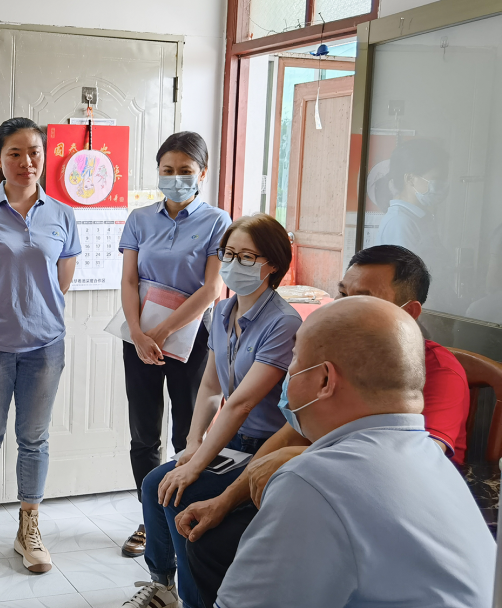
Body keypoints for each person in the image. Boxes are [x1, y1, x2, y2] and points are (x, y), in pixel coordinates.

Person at [181, 244, 471, 607]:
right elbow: (292, 431)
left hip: (386, 511)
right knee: (208, 538)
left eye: (363, 299)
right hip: (337, 491)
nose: (342, 308)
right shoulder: (344, 363)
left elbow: (416, 456)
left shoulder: (437, 372)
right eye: (343, 294)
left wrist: (298, 460)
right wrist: (224, 500)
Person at [126, 214, 300, 608]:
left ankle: (196, 601)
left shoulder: (283, 323)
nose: (235, 264)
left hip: (266, 447)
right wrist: (192, 445)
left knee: (179, 492)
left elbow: (241, 403)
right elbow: (211, 387)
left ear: (272, 264)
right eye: (229, 254)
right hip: (232, 441)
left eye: (247, 257)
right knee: (155, 484)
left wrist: (196, 464)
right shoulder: (222, 312)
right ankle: (162, 585)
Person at [0, 117, 81, 574]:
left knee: (34, 438)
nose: (27, 162)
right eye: (15, 153)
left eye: (35, 152)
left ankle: (29, 527)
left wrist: (33, 312)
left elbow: (60, 281)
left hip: (45, 346)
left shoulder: (62, 214)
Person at [116, 132, 231, 558]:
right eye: (168, 170)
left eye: (185, 171)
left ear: (203, 173)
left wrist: (162, 332)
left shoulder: (217, 221)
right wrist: (138, 332)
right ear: (158, 172)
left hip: (192, 339)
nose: (176, 178)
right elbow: (130, 280)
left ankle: (180, 512)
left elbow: (212, 288)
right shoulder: (139, 219)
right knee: (144, 433)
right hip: (140, 337)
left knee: (188, 430)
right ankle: (150, 520)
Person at [375, 138, 455, 312]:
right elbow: (405, 285)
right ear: (410, 179)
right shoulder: (400, 222)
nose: (443, 186)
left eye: (444, 179)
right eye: (437, 179)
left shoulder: (420, 217)